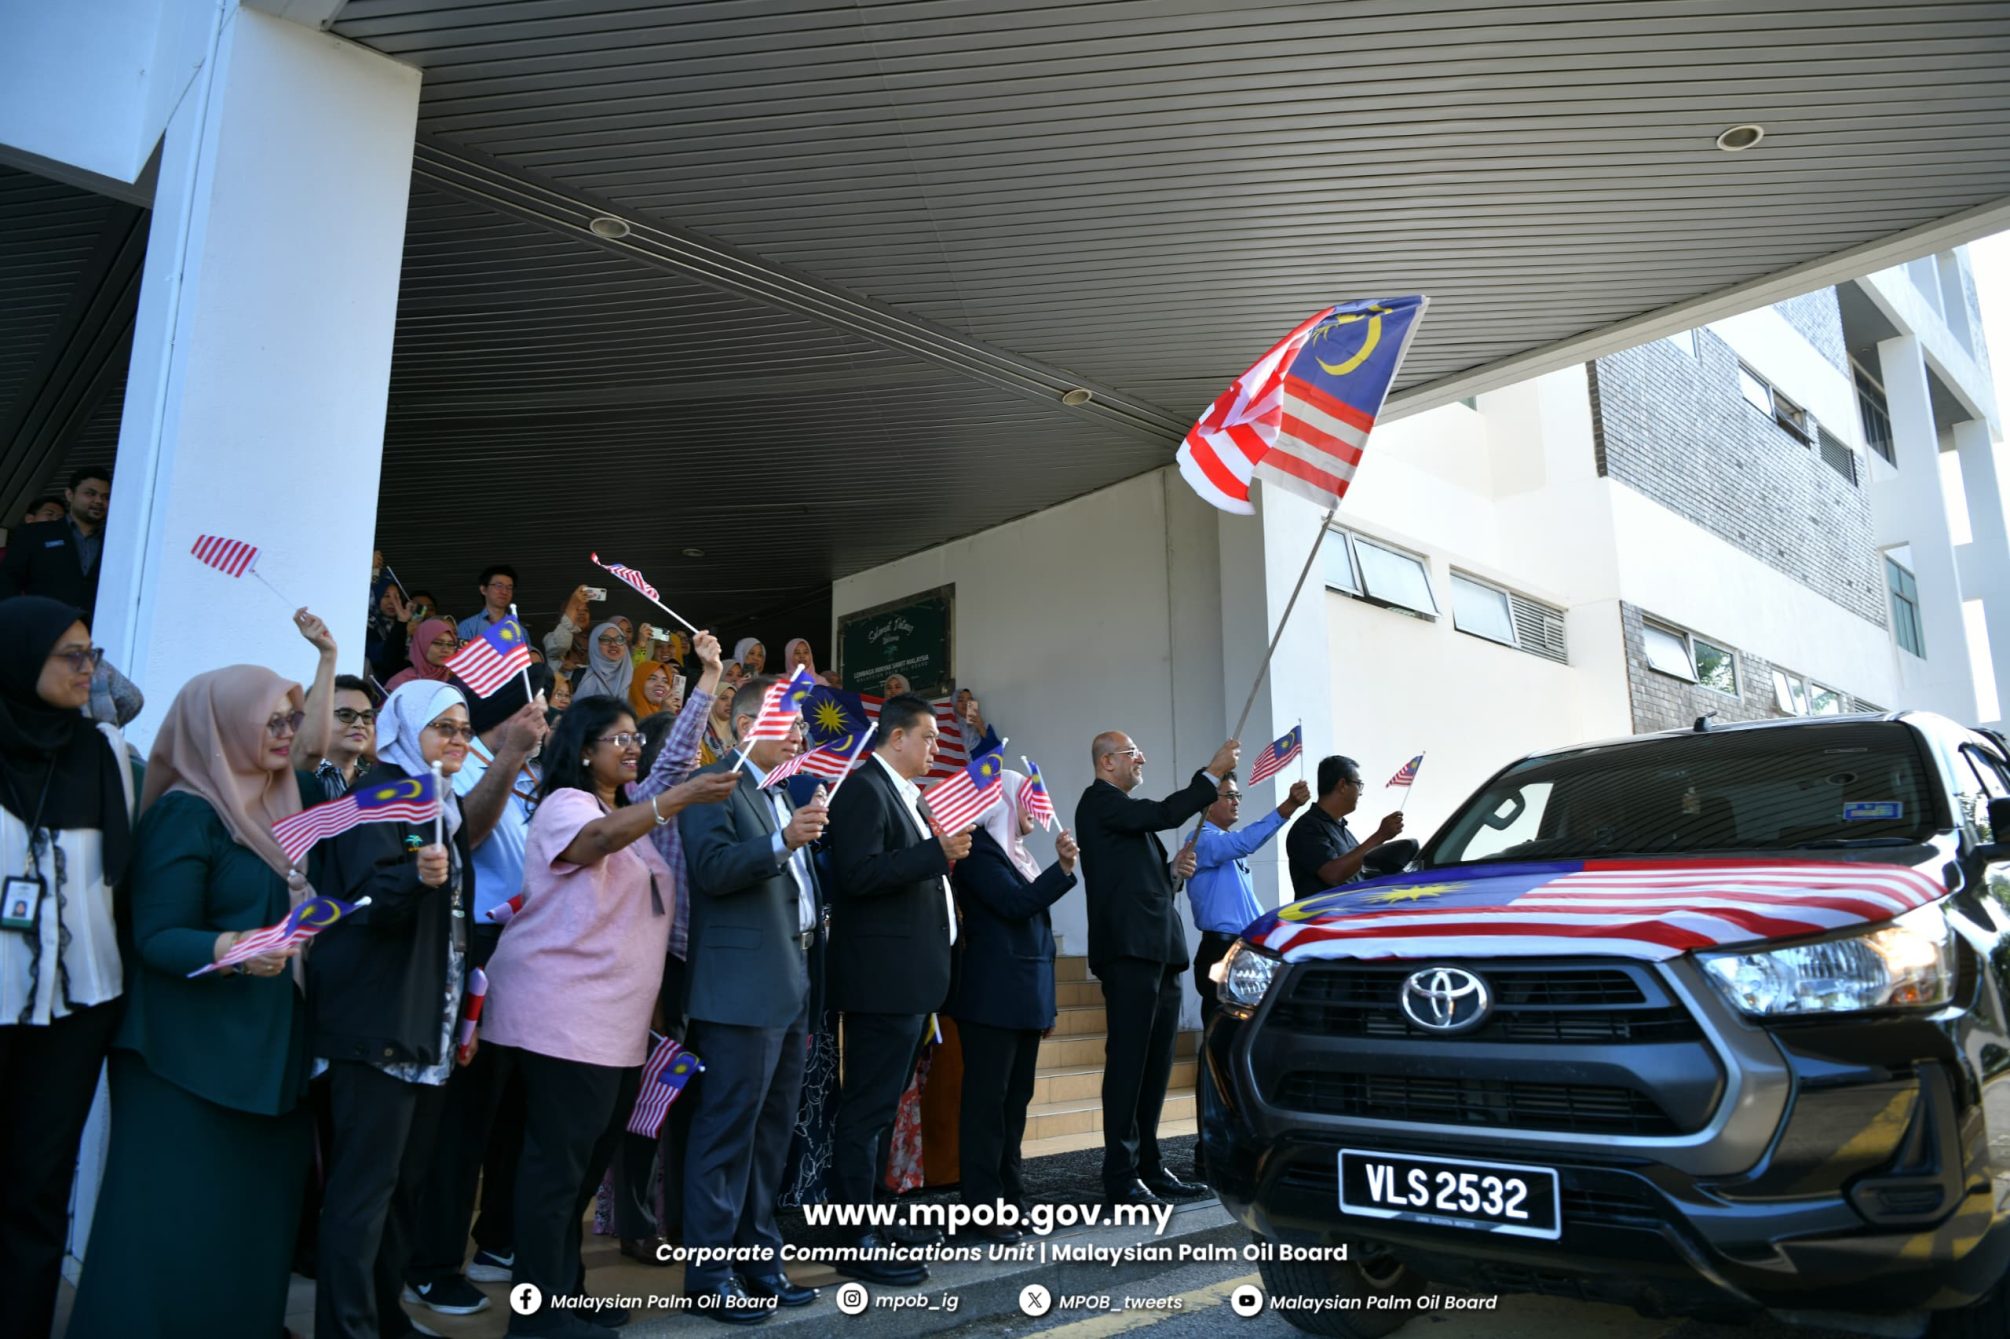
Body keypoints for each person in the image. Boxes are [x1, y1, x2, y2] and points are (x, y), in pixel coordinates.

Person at [68, 656, 333, 1337]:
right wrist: (236, 948)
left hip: (268, 1059)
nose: (286, 731)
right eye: (270, 719)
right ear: (222, 725)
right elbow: (157, 935)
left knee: (246, 1238)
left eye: (291, 718)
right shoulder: (189, 812)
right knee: (167, 1233)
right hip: (182, 1062)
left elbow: (324, 754)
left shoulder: (285, 807)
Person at [482, 694, 736, 1337]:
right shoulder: (569, 805)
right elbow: (595, 842)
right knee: (555, 1173)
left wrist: (706, 683)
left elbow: (663, 775)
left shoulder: (625, 811)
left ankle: (565, 1293)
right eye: (617, 737)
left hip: (614, 1029)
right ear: (584, 748)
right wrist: (675, 800)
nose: (632, 746)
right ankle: (536, 1318)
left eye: (635, 737)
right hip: (561, 1018)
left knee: (584, 1171)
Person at [310, 681, 477, 1339]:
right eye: (444, 727)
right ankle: (347, 1329)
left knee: (404, 1186)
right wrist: (415, 877)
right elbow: (360, 897)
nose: (458, 740)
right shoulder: (376, 795)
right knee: (362, 1195)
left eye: (465, 729)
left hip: (424, 1026)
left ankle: (385, 1318)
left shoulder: (442, 803)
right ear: (407, 729)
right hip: (377, 1024)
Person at [0, 599, 136, 1339]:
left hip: (78, 1005)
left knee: (41, 1185)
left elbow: (118, 879)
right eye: (71, 655)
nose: (90, 668)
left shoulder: (100, 751)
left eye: (92, 652)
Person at [677, 675, 829, 1321]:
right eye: (789, 721)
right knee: (727, 1133)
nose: (800, 731)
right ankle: (709, 1272)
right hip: (737, 991)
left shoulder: (773, 793)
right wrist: (783, 842)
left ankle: (759, 1257)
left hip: (788, 983)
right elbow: (712, 868)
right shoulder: (712, 784)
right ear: (745, 726)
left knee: (771, 1136)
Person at [404, 678, 548, 1311]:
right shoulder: (449, 773)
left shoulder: (524, 773)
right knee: (464, 1118)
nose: (540, 717)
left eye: (463, 728)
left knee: (514, 1106)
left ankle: (495, 1239)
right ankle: (432, 1260)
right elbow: (469, 835)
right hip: (476, 950)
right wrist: (511, 754)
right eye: (448, 727)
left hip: (529, 952)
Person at [823, 693, 971, 1285]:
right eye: (930, 737)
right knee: (866, 1112)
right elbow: (856, 876)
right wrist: (934, 855)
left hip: (911, 982)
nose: (937, 747)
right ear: (897, 738)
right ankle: (851, 1235)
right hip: (882, 982)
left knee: (884, 1112)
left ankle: (878, 1215)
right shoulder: (865, 789)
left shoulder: (904, 795)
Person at [1074, 730, 1238, 1206]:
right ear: (1107, 762)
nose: (1141, 758)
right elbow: (1164, 813)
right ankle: (1121, 1175)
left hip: (1160, 950)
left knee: (1156, 1065)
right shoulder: (1099, 802)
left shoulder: (1124, 815)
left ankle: (1150, 1164)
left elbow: (1140, 887)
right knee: (1129, 1063)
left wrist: (1172, 875)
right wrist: (1210, 772)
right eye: (1132, 753)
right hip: (1128, 953)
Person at [614, 632, 728, 1264]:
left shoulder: (697, 808)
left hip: (694, 968)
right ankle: (634, 1222)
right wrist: (706, 678)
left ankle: (683, 1220)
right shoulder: (644, 800)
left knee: (685, 1099)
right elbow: (679, 752)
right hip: (648, 972)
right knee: (642, 1103)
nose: (695, 763)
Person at [946, 770, 1078, 1241]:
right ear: (1001, 801)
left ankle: (1011, 1198)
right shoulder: (979, 850)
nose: (1034, 811)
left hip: (1024, 1001)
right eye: (1026, 799)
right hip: (991, 1001)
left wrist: (1048, 1006)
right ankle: (982, 1208)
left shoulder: (1017, 855)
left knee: (1014, 1105)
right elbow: (1015, 905)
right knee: (988, 1106)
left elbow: (1039, 938)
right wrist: (1061, 871)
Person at [1183, 772, 1311, 1177]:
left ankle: (1238, 1141)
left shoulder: (1226, 849)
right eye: (1229, 795)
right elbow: (1243, 841)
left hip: (1237, 948)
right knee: (1220, 1050)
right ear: (1207, 802)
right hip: (1218, 949)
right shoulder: (1202, 838)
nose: (1237, 802)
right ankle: (1210, 1148)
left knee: (1243, 1047)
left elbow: (1248, 907)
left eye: (1239, 795)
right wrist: (1287, 808)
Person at [0, 465, 111, 620]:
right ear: (69, 495)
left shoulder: (115, 543)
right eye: (90, 493)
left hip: (96, 634)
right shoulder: (35, 534)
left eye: (106, 497)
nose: (99, 501)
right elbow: (6, 583)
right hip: (42, 630)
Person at [1286, 756, 1406, 898]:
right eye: (1358, 784)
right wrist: (1380, 836)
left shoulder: (1342, 830)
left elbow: (1359, 875)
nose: (1360, 792)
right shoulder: (1307, 827)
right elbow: (1333, 874)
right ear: (1342, 785)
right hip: (1322, 917)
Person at [314, 674, 378, 799]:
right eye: (346, 715)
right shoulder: (297, 780)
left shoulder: (374, 784)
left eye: (366, 716)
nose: (360, 725)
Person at [386, 617, 458, 692]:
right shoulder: (401, 683)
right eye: (438, 643)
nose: (445, 650)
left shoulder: (458, 678)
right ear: (421, 644)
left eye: (450, 644)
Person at [572, 620, 634, 701]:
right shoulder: (578, 677)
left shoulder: (637, 679)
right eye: (605, 639)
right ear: (594, 644)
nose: (613, 644)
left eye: (619, 639)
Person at [457, 564, 520, 642]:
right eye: (499, 586)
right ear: (483, 589)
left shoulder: (519, 629)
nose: (504, 591)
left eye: (509, 587)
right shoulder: (468, 627)